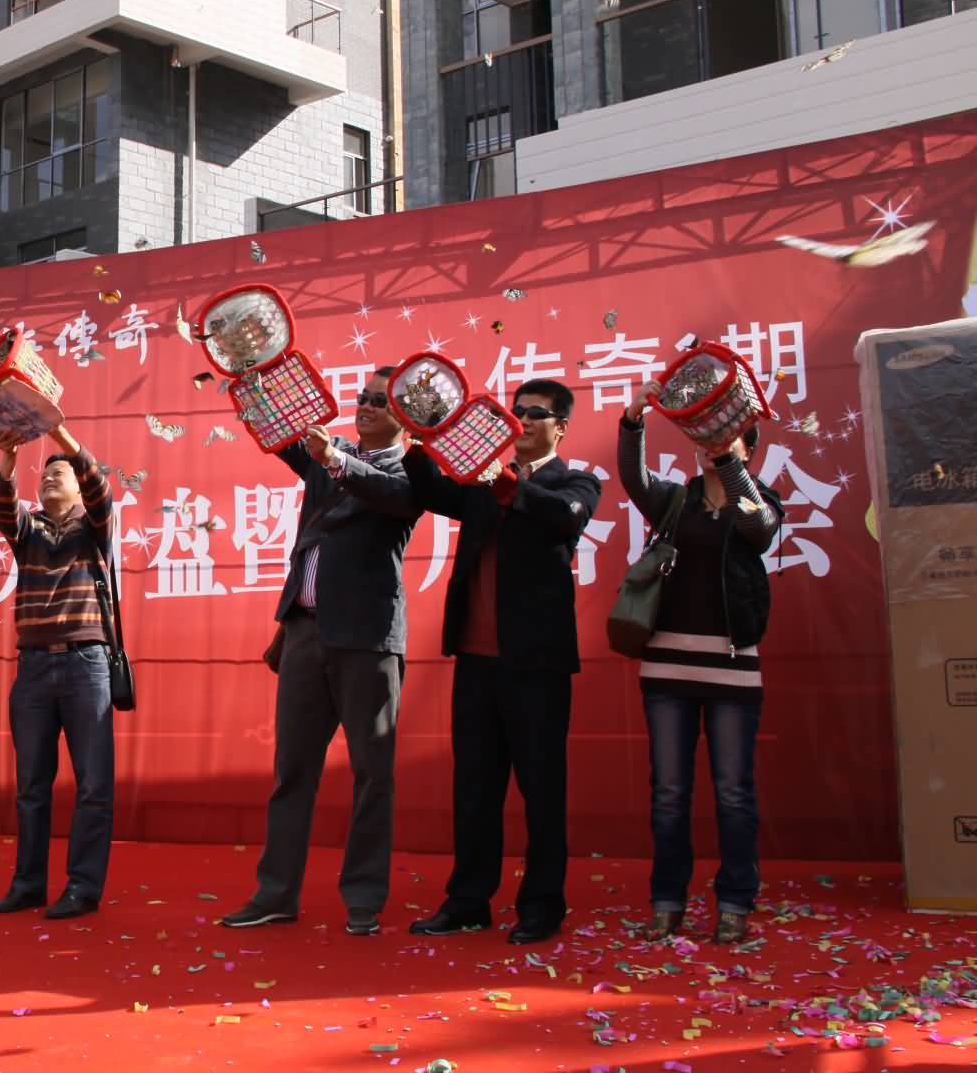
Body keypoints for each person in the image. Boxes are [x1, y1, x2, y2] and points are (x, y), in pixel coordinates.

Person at [223, 367, 422, 936]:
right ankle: (275, 893)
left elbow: (388, 494)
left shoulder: (411, 471)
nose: (366, 407)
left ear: (406, 417)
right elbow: (278, 431)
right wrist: (248, 371)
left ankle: (363, 898)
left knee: (372, 774)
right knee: (292, 771)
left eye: (381, 402)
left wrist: (334, 458)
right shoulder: (327, 458)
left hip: (367, 640)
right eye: (363, 397)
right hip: (306, 634)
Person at [404, 378, 601, 945]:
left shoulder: (574, 482)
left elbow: (566, 518)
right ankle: (468, 901)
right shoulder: (481, 482)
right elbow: (432, 491)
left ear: (561, 426)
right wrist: (419, 442)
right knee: (474, 789)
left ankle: (542, 905)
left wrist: (507, 483)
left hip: (536, 665)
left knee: (542, 790)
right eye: (517, 412)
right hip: (476, 661)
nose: (523, 421)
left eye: (535, 413)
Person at [621, 382, 783, 945]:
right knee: (669, 794)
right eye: (705, 438)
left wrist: (729, 465)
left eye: (726, 437)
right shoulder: (675, 501)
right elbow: (634, 479)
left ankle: (735, 902)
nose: (710, 446)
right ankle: (667, 901)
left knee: (733, 792)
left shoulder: (759, 502)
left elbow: (758, 530)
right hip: (667, 669)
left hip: (733, 670)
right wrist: (633, 419)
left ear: (748, 449)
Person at [0, 422, 115, 921]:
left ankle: (83, 886)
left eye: (57, 474)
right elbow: (4, 507)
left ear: (78, 487)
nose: (47, 479)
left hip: (87, 664)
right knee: (31, 786)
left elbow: (99, 487)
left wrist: (60, 435)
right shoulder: (30, 531)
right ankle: (29, 884)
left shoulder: (95, 525)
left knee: (93, 785)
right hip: (35, 667)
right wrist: (8, 457)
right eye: (43, 475)